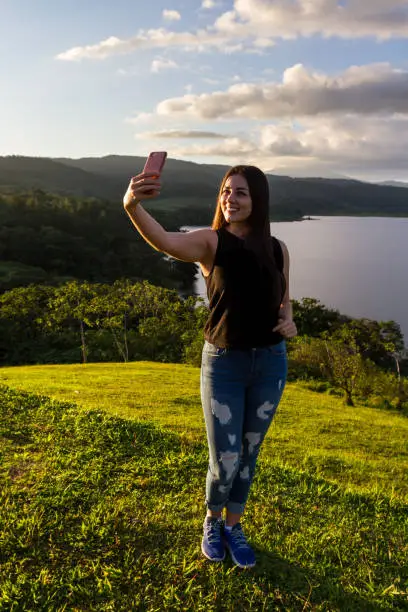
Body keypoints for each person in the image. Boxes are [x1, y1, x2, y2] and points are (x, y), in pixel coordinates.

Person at [123, 163, 297, 569]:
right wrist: (132, 205)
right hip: (224, 365)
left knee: (250, 455)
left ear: (258, 201)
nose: (230, 199)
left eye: (241, 193)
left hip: (271, 363)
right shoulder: (211, 242)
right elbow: (165, 241)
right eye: (226, 191)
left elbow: (285, 298)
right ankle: (212, 520)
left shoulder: (277, 248)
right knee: (225, 460)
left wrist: (289, 319)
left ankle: (234, 527)